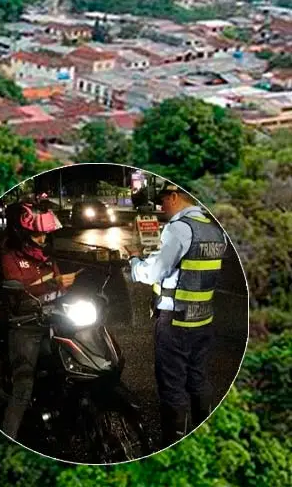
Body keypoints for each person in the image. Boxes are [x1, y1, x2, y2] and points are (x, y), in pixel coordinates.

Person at [126, 183, 226, 448]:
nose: (161, 207)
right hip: (203, 320)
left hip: (175, 321)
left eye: (163, 201)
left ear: (175, 196)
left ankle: (174, 443)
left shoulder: (180, 228)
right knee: (198, 380)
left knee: (172, 386)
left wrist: (135, 262)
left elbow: (155, 271)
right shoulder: (215, 231)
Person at [0, 198, 78, 440]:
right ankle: (7, 441)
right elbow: (19, 287)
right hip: (25, 324)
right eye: (37, 235)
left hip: (52, 321)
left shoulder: (47, 259)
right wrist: (53, 282)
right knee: (23, 386)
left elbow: (57, 291)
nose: (43, 240)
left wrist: (64, 285)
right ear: (22, 233)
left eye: (45, 235)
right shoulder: (11, 258)